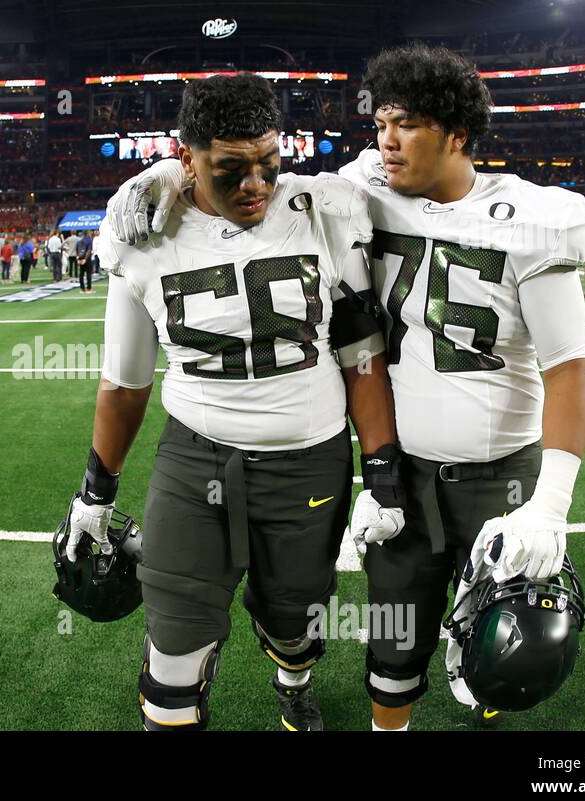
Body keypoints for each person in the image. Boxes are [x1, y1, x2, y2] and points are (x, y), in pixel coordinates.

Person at [108, 45, 585, 731]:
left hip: (500, 467)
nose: (386, 141)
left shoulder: (534, 217)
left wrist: (550, 505)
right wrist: (162, 172)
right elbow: (261, 175)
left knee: (500, 652)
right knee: (394, 646)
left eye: (407, 125)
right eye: (382, 123)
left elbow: (569, 365)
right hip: (408, 465)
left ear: (457, 134)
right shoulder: (365, 185)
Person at [75, 72, 402, 731]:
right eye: (231, 169)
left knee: (294, 621)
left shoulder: (322, 210)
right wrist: (94, 494)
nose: (255, 185)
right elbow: (124, 380)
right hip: (194, 460)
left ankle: (293, 679)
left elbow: (361, 355)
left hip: (308, 460)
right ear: (188, 154)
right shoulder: (142, 231)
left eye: (269, 164)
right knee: (170, 662)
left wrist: (386, 473)